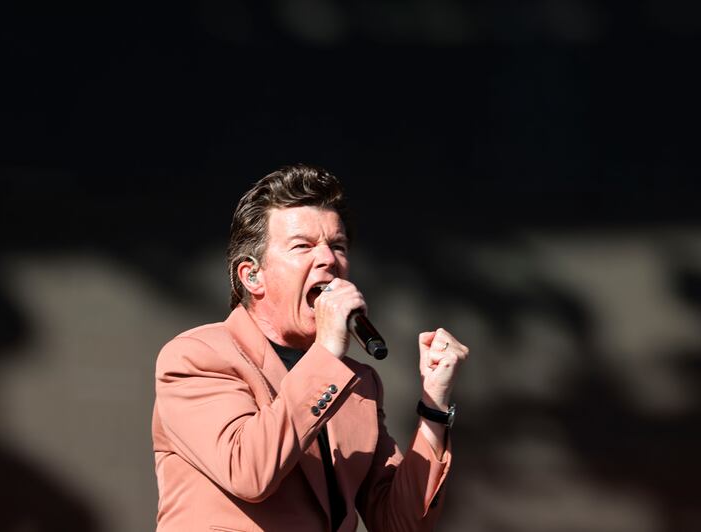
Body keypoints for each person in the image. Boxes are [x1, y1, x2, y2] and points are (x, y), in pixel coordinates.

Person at [152, 164, 469, 531]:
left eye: (338, 246)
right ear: (252, 275)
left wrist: (434, 405)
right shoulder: (197, 356)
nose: (328, 260)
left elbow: (399, 523)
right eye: (303, 246)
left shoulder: (358, 384)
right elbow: (248, 472)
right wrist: (328, 349)